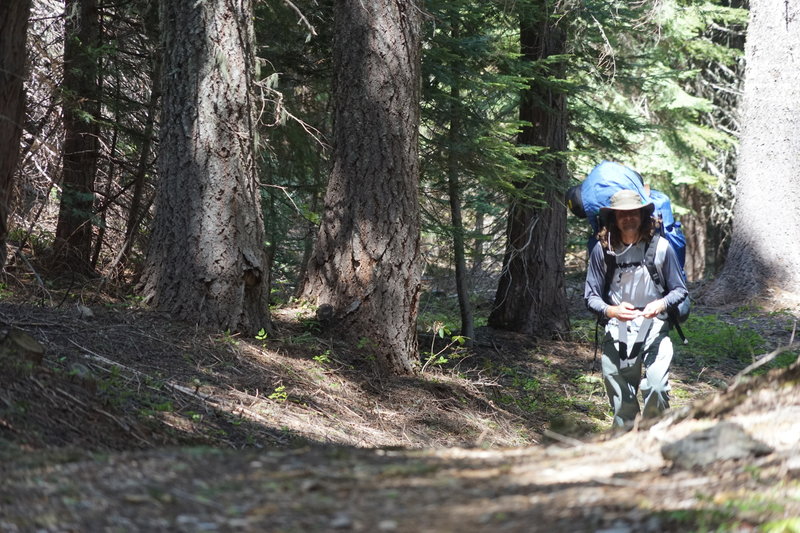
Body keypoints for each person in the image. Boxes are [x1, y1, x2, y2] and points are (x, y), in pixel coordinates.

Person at [584, 189, 688, 428]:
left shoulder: (661, 247)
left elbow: (680, 290)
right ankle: (625, 440)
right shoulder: (603, 250)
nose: (628, 218)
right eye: (622, 214)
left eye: (633, 213)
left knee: (656, 386)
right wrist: (611, 311)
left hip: (655, 325)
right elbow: (590, 296)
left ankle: (655, 436)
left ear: (642, 215)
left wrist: (660, 304)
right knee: (621, 394)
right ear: (614, 218)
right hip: (617, 327)